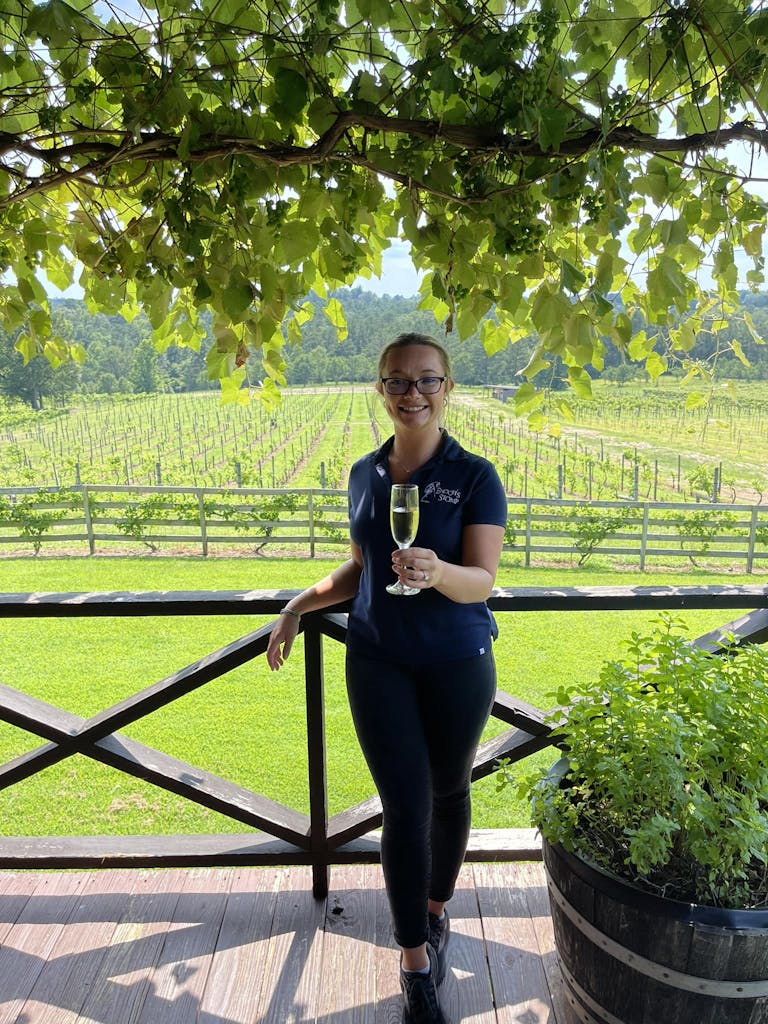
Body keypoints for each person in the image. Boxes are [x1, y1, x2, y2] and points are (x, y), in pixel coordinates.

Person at [267, 332, 507, 1024]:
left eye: (428, 380)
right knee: (404, 809)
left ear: (448, 388)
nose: (414, 394)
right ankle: (414, 962)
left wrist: (438, 572)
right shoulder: (363, 475)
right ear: (381, 390)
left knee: (450, 790)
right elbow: (365, 568)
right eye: (398, 381)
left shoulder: (474, 476)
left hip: (458, 660)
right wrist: (297, 604)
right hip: (377, 660)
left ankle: (435, 910)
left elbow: (482, 580)